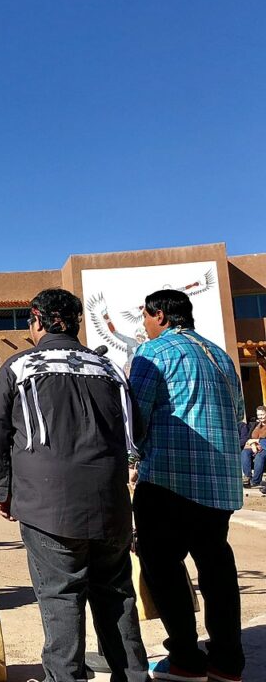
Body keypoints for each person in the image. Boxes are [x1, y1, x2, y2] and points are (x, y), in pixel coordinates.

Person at [0, 288, 148, 681]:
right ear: (75, 324)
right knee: (117, 597)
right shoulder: (108, 370)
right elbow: (135, 429)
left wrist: (3, 488)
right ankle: (135, 676)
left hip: (47, 505)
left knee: (60, 597)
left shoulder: (20, 367)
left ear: (37, 320)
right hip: (110, 505)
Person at [129, 289, 245, 682]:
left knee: (162, 565)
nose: (143, 323)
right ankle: (228, 661)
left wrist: (134, 456)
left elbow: (135, 416)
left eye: (145, 315)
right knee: (216, 568)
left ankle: (185, 656)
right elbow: (239, 414)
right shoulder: (221, 356)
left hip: (169, 477)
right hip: (220, 482)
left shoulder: (155, 352)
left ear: (159, 315)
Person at [240, 406, 266, 489]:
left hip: (264, 446)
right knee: (245, 452)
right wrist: (252, 444)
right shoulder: (255, 424)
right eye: (259, 415)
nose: (260, 417)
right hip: (253, 446)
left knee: (260, 456)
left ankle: (255, 481)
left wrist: (257, 441)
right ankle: (247, 477)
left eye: (262, 414)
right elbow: (249, 437)